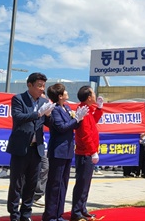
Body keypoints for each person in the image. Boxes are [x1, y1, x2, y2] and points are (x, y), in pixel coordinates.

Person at [6, 72, 54, 221]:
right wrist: (37, 114)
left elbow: (49, 124)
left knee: (32, 184)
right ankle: (14, 214)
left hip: (37, 148)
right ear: (30, 85)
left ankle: (26, 213)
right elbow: (18, 117)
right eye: (39, 86)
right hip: (21, 147)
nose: (41, 89)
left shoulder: (43, 102)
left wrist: (49, 115)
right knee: (17, 183)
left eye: (43, 86)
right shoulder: (19, 99)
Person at [42, 83, 88, 221]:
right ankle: (50, 215)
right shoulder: (55, 109)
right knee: (54, 184)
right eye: (65, 92)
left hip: (67, 150)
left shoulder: (66, 108)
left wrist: (78, 119)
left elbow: (73, 126)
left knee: (63, 184)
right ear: (60, 96)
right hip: (58, 150)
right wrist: (76, 119)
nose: (67, 93)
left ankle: (59, 214)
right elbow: (61, 127)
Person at [70, 86, 104, 221]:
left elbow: (94, 121)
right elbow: (84, 135)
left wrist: (100, 108)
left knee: (86, 184)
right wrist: (93, 151)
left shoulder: (88, 110)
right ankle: (76, 212)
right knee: (82, 184)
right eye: (93, 94)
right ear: (89, 97)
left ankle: (82, 209)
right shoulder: (82, 110)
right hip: (85, 153)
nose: (95, 96)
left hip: (88, 152)